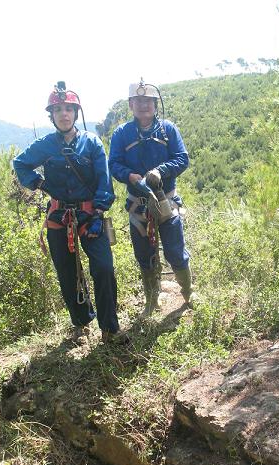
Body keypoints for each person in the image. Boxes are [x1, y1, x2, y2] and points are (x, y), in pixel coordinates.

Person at [13, 82, 121, 344]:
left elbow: (104, 181)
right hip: (59, 217)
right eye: (58, 109)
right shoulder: (45, 145)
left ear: (75, 112)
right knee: (66, 272)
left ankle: (109, 328)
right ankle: (81, 321)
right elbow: (20, 164)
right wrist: (37, 183)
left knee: (104, 268)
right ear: (52, 115)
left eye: (68, 109)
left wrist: (98, 211)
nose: (63, 114)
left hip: (89, 216)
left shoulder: (92, 143)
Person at [109, 79, 195, 317]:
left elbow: (182, 158)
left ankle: (188, 292)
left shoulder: (168, 129)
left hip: (167, 201)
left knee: (175, 251)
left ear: (155, 104)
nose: (143, 105)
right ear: (130, 104)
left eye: (147, 101)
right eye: (138, 101)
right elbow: (114, 164)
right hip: (138, 206)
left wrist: (161, 171)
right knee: (144, 255)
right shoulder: (122, 133)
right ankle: (151, 299)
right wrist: (131, 176)